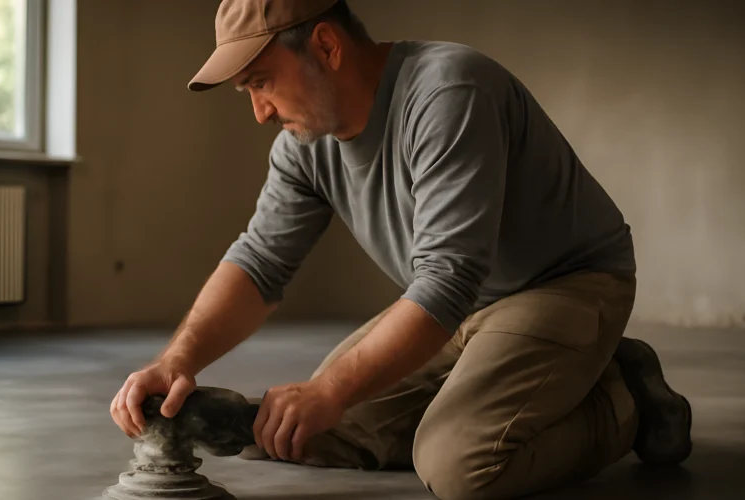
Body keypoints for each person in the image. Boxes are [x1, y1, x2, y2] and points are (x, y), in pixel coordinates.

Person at [110, 1, 693, 498]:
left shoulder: (448, 90)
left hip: (563, 284)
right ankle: (529, 381)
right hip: (460, 309)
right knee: (302, 435)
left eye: (261, 82)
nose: (259, 111)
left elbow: (447, 278)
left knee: (460, 465)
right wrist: (176, 362)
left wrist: (333, 389)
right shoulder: (305, 147)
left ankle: (626, 397)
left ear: (326, 45)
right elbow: (260, 263)